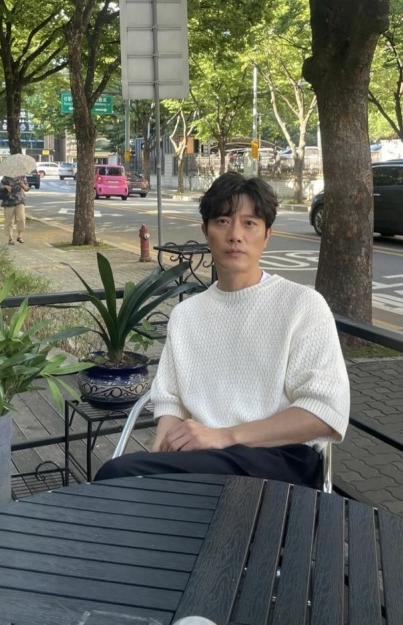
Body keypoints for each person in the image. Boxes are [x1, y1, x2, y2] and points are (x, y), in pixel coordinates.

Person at [94, 172, 350, 489]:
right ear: (206, 231)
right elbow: (170, 403)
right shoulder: (186, 315)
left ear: (267, 234)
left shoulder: (302, 305)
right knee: (125, 485)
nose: (235, 235)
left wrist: (223, 436)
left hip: (278, 460)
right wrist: (162, 455)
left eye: (250, 223)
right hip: (202, 461)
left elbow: (325, 411)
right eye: (223, 221)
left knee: (116, 474)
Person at [0, 175, 28, 245]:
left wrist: (23, 185)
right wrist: (6, 186)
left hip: (20, 200)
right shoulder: (6, 177)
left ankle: (19, 236)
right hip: (8, 201)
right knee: (9, 220)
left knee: (21, 218)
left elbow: (27, 189)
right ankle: (10, 238)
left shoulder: (22, 177)